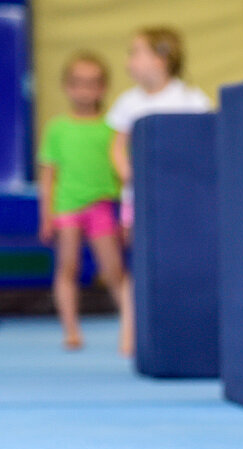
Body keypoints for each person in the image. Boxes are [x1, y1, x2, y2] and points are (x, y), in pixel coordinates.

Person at [106, 26, 212, 355]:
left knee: (180, 264)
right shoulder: (129, 102)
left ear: (162, 58)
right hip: (139, 200)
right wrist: (130, 174)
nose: (130, 61)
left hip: (181, 203)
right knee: (139, 265)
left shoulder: (191, 100)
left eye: (136, 52)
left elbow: (203, 149)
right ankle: (131, 334)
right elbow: (117, 147)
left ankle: (181, 332)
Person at [37, 53, 127, 352]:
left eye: (92, 84)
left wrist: (125, 215)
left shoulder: (111, 129)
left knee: (113, 270)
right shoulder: (57, 128)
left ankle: (130, 324)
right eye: (77, 84)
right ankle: (71, 329)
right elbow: (48, 176)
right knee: (68, 267)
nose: (84, 91)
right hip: (67, 208)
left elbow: (123, 173)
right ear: (66, 87)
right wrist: (46, 215)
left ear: (102, 88)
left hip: (101, 206)